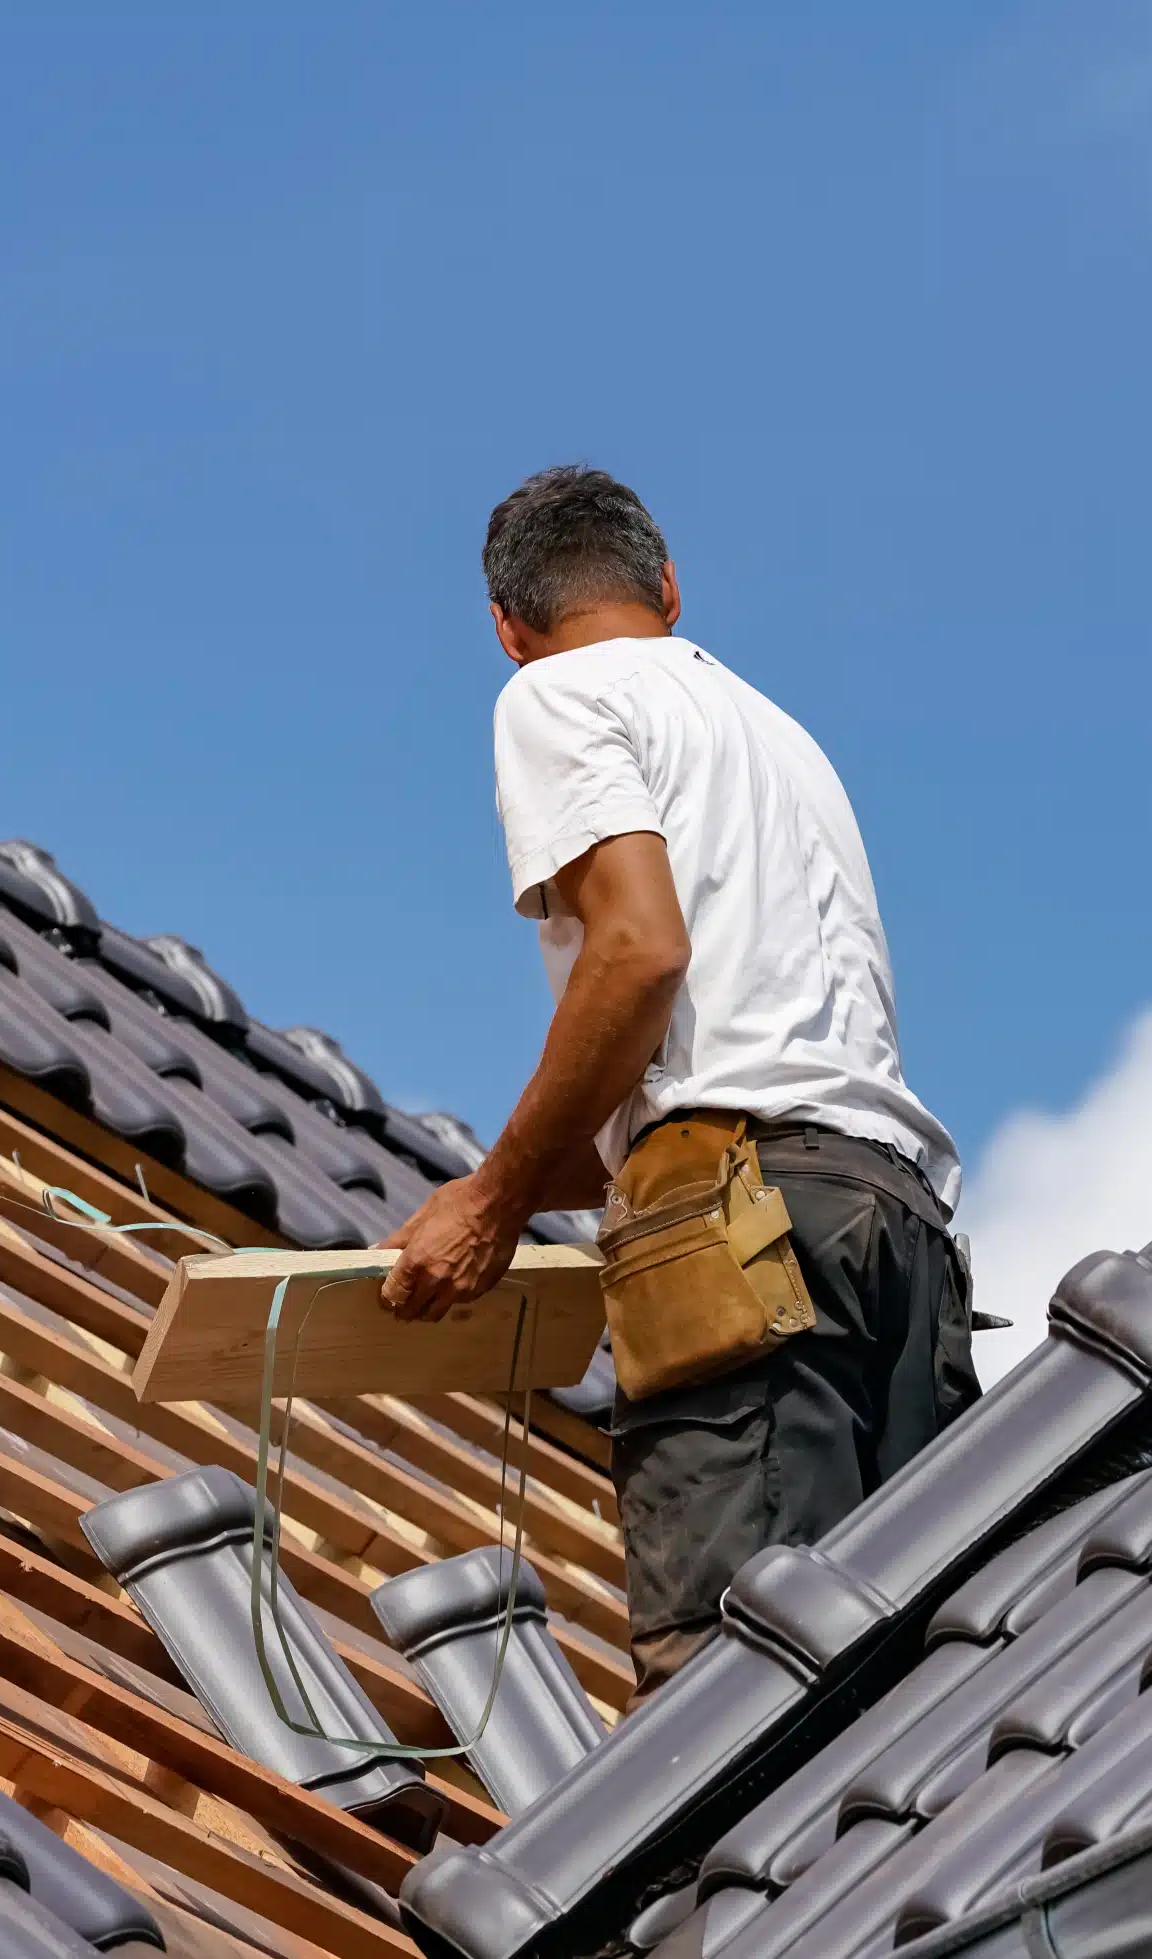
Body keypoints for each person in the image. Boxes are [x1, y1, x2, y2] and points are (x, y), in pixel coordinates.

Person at [380, 465, 977, 1696]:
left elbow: (642, 951)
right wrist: (508, 1191)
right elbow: (730, 1049)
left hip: (744, 1236)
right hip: (893, 1223)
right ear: (668, 586)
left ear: (506, 629)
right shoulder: (774, 731)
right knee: (915, 1683)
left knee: (741, 1696)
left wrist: (489, 1204)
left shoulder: (555, 695)